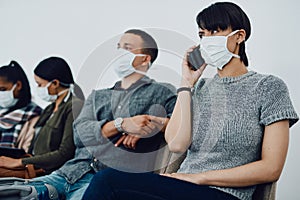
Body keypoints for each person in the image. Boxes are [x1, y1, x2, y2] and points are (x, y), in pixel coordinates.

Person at [82, 2, 299, 200]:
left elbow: (271, 168)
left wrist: (202, 178)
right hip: (181, 187)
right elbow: (177, 143)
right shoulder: (200, 88)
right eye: (202, 33)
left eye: (214, 31)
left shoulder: (269, 87)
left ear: (239, 36)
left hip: (223, 194)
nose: (206, 39)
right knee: (105, 182)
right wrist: (187, 84)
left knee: (107, 181)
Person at [31, 29, 177, 200]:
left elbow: (179, 127)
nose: (118, 53)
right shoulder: (97, 96)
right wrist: (122, 124)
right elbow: (79, 135)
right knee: (11, 192)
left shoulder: (163, 92)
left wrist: (149, 125)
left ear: (145, 59)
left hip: (109, 182)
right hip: (67, 173)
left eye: (126, 48)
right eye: (118, 47)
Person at [0, 57, 84, 175]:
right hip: (34, 167)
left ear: (55, 83)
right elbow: (35, 147)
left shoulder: (74, 106)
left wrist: (19, 162)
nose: (38, 89)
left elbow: (64, 153)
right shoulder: (50, 109)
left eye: (40, 84)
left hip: (50, 172)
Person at [0, 61, 42, 152]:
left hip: (13, 165)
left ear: (18, 85)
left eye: (3, 89)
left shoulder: (35, 117)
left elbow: (28, 154)